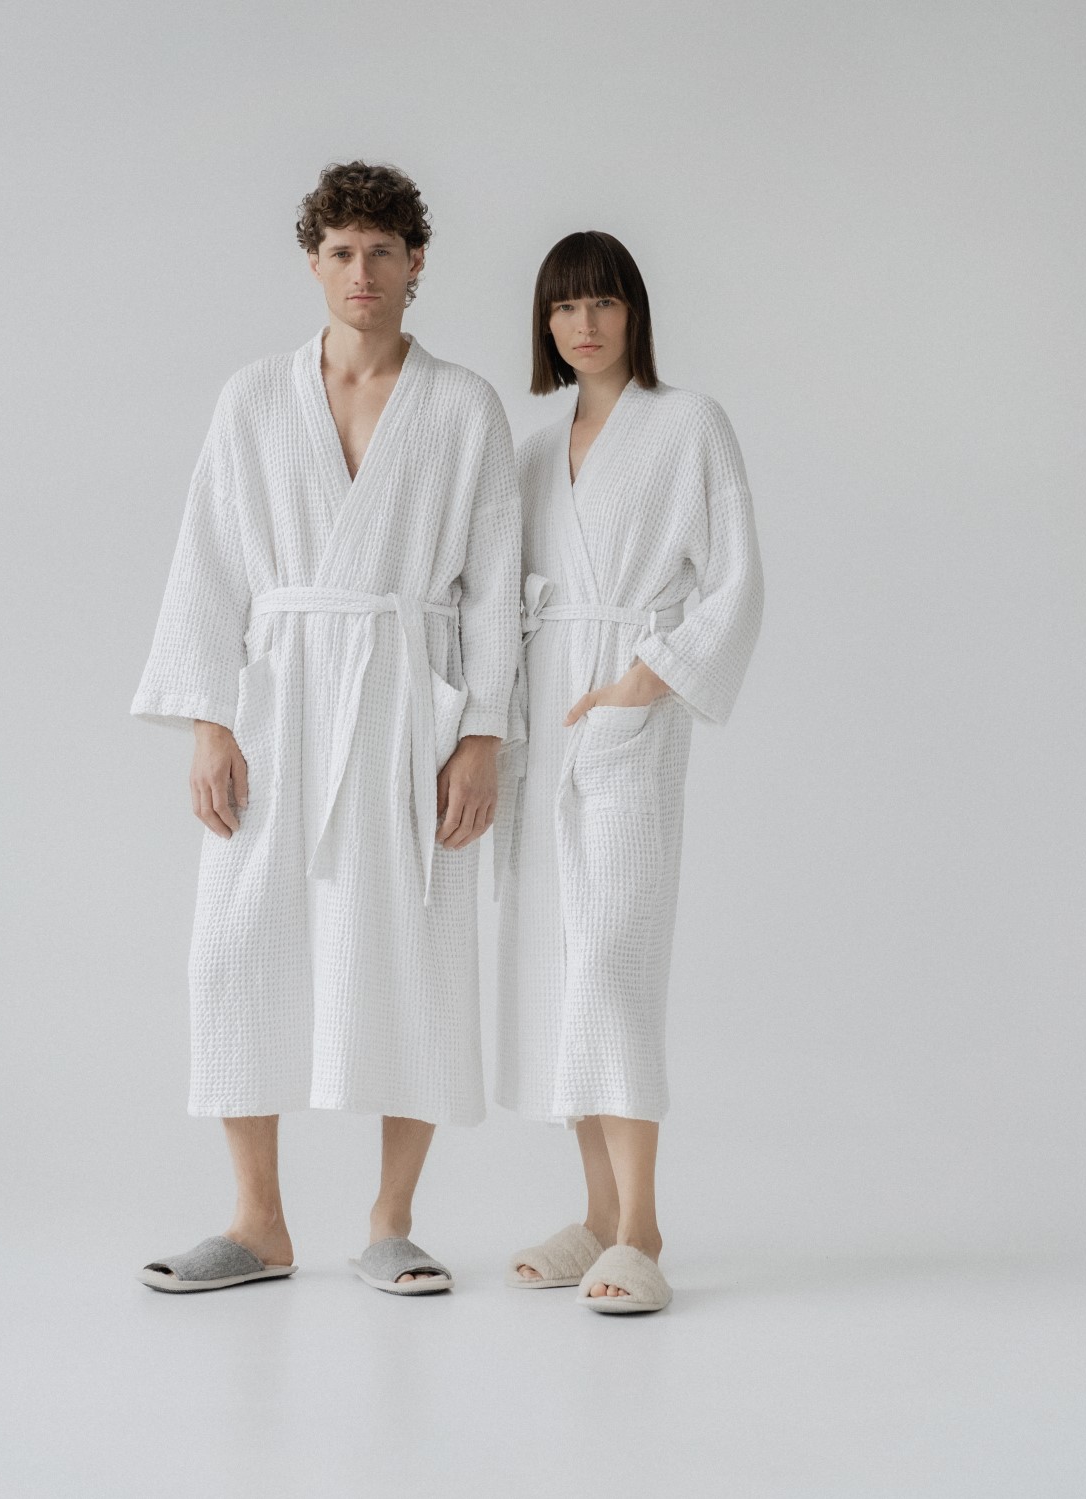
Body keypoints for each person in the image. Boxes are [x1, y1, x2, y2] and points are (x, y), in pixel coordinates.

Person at [130, 161, 520, 1295]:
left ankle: (392, 1221)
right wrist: (210, 722)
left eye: (382, 251)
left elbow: (495, 585)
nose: (362, 272)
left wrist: (482, 735)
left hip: (407, 700)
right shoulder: (254, 398)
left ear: (415, 262)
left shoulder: (463, 407)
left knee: (417, 947)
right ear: (314, 262)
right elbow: (208, 562)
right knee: (237, 946)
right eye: (342, 252)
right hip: (278, 695)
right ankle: (258, 1223)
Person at [493, 231, 764, 1313]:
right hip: (546, 719)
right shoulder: (531, 451)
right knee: (561, 968)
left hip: (627, 715)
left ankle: (643, 1227)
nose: (584, 325)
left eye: (602, 303)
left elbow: (736, 579)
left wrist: (646, 681)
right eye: (564, 308)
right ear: (545, 326)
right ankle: (597, 1215)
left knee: (615, 961)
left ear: (634, 313)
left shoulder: (689, 423)